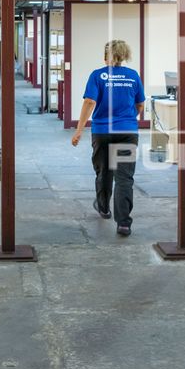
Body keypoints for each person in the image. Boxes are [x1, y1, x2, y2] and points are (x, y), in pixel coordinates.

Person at [71, 40, 145, 237]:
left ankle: (104, 208)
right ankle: (123, 223)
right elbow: (140, 105)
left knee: (104, 172)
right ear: (125, 55)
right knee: (124, 177)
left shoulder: (98, 75)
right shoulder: (133, 76)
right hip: (127, 133)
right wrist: (127, 120)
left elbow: (89, 101)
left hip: (102, 132)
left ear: (106, 56)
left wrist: (79, 130)